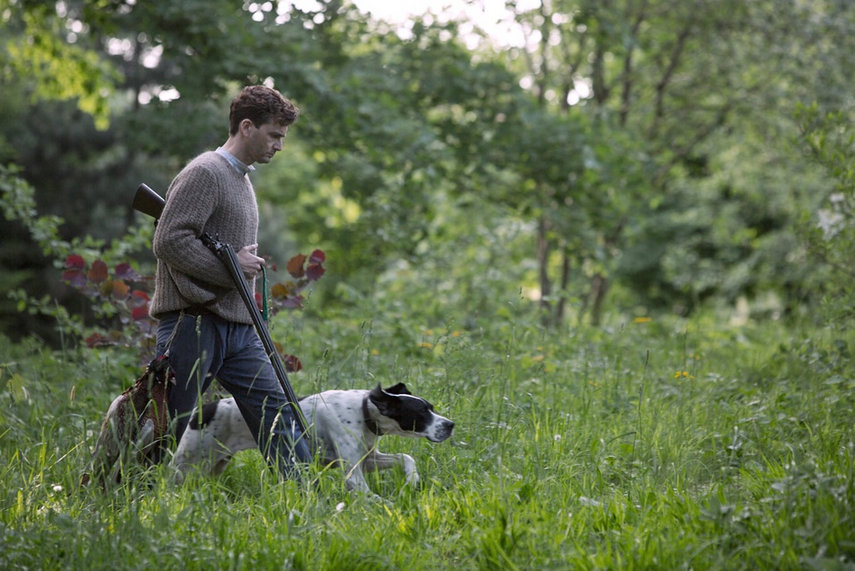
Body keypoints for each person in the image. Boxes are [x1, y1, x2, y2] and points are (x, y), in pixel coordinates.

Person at [150, 85, 311, 480]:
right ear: (246, 126)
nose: (279, 146)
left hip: (239, 327)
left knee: (278, 412)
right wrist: (232, 269)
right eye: (274, 135)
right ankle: (123, 499)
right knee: (165, 423)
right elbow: (169, 239)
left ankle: (311, 500)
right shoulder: (206, 172)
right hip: (193, 322)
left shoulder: (241, 179)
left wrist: (236, 270)